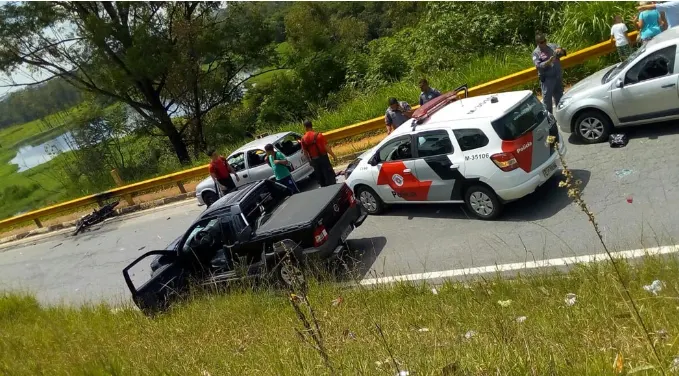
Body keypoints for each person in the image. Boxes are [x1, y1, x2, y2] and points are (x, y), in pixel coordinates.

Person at [531, 33, 567, 114]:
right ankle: (549, 118)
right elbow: (538, 65)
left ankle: (562, 115)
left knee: (560, 98)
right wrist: (548, 62)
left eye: (544, 41)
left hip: (557, 76)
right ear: (537, 43)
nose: (544, 43)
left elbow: (562, 50)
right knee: (547, 101)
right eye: (541, 42)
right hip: (547, 80)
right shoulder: (536, 53)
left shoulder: (552, 46)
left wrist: (560, 49)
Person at [300, 120, 337, 187]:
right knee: (329, 176)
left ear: (305, 127)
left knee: (320, 177)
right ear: (311, 126)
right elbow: (326, 147)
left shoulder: (303, 139)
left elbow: (305, 152)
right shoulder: (318, 135)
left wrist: (309, 161)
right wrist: (334, 156)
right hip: (324, 158)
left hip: (314, 160)